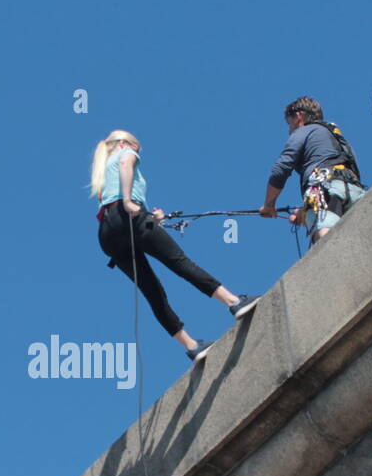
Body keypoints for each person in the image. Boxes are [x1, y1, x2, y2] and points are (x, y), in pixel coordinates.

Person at [91, 129, 259, 363]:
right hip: (128, 216)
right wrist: (130, 201)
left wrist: (151, 217)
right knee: (179, 263)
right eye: (137, 147)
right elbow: (127, 167)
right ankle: (234, 302)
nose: (137, 152)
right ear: (123, 143)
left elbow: (112, 203)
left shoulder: (102, 173)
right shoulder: (125, 153)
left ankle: (191, 347)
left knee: (152, 292)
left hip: (108, 234)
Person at [260, 97, 366, 250]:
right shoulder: (335, 137)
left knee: (327, 244)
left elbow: (280, 169)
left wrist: (269, 205)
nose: (289, 130)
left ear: (298, 117)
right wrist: (305, 212)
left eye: (289, 124)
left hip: (324, 188)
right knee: (357, 244)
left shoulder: (304, 131)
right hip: (354, 190)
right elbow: (337, 192)